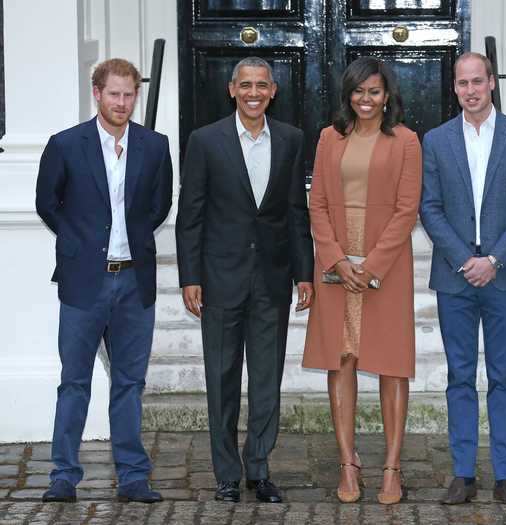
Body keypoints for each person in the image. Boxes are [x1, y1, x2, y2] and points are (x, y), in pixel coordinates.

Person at [176, 57, 314, 504]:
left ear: (273, 90)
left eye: (262, 85)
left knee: (266, 380)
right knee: (221, 378)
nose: (254, 92)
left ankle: (259, 468)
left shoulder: (291, 140)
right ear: (232, 89)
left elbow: (296, 212)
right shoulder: (205, 141)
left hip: (272, 280)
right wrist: (190, 276)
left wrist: (305, 273)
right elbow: (191, 215)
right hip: (219, 279)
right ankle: (226, 474)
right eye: (245, 85)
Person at [36, 58, 173, 503]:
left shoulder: (155, 146)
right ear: (96, 93)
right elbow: (47, 202)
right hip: (83, 282)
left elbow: (159, 204)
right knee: (74, 381)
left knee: (130, 383)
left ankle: (133, 476)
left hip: (135, 282)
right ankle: (63, 475)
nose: (121, 103)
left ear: (137, 95)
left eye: (129, 94)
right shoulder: (66, 144)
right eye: (113, 94)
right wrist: (80, 241)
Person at [420, 52, 506, 505]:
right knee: (460, 375)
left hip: (504, 275)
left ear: (491, 82)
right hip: (455, 276)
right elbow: (429, 207)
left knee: (503, 375)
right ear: (454, 88)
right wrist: (462, 259)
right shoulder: (435, 140)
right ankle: (463, 473)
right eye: (462, 83)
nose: (470, 90)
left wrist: (493, 259)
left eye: (477, 81)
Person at [302, 56, 422, 505]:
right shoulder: (329, 138)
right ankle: (348, 463)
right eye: (357, 91)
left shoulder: (406, 141)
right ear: (347, 95)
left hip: (386, 264)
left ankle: (392, 467)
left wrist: (371, 265)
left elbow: (407, 209)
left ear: (387, 95)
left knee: (392, 363)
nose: (365, 99)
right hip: (336, 264)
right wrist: (334, 259)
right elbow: (317, 204)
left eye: (373, 91)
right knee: (342, 359)